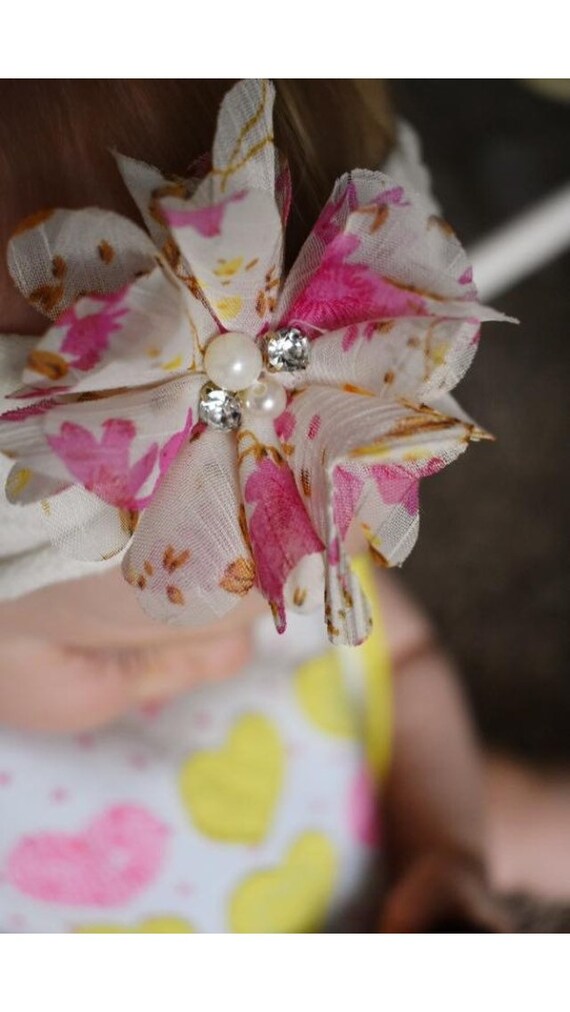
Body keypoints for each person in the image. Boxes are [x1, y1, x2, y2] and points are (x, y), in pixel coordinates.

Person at [0, 79, 507, 932]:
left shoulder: (280, 512)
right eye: (119, 657)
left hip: (363, 844)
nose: (236, 655)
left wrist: (446, 851)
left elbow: (404, 665)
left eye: (292, 589)